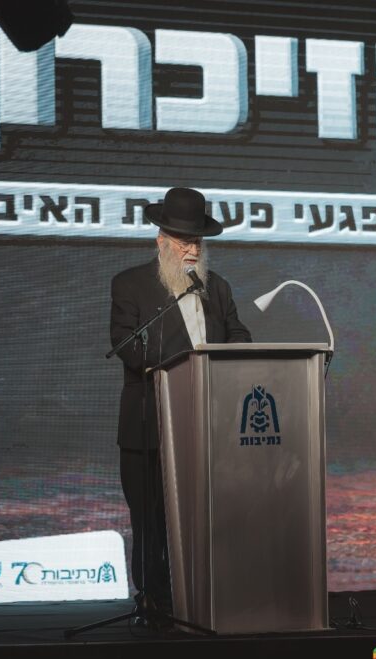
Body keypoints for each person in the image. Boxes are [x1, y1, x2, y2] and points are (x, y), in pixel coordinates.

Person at [109, 187, 251, 618]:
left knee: (203, 519)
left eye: (197, 242)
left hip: (206, 425)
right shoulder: (130, 284)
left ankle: (204, 599)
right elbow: (128, 347)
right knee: (151, 523)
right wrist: (187, 364)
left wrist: (229, 358)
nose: (192, 250)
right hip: (150, 426)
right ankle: (154, 602)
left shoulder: (216, 288)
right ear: (161, 240)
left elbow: (239, 334)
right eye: (183, 241)